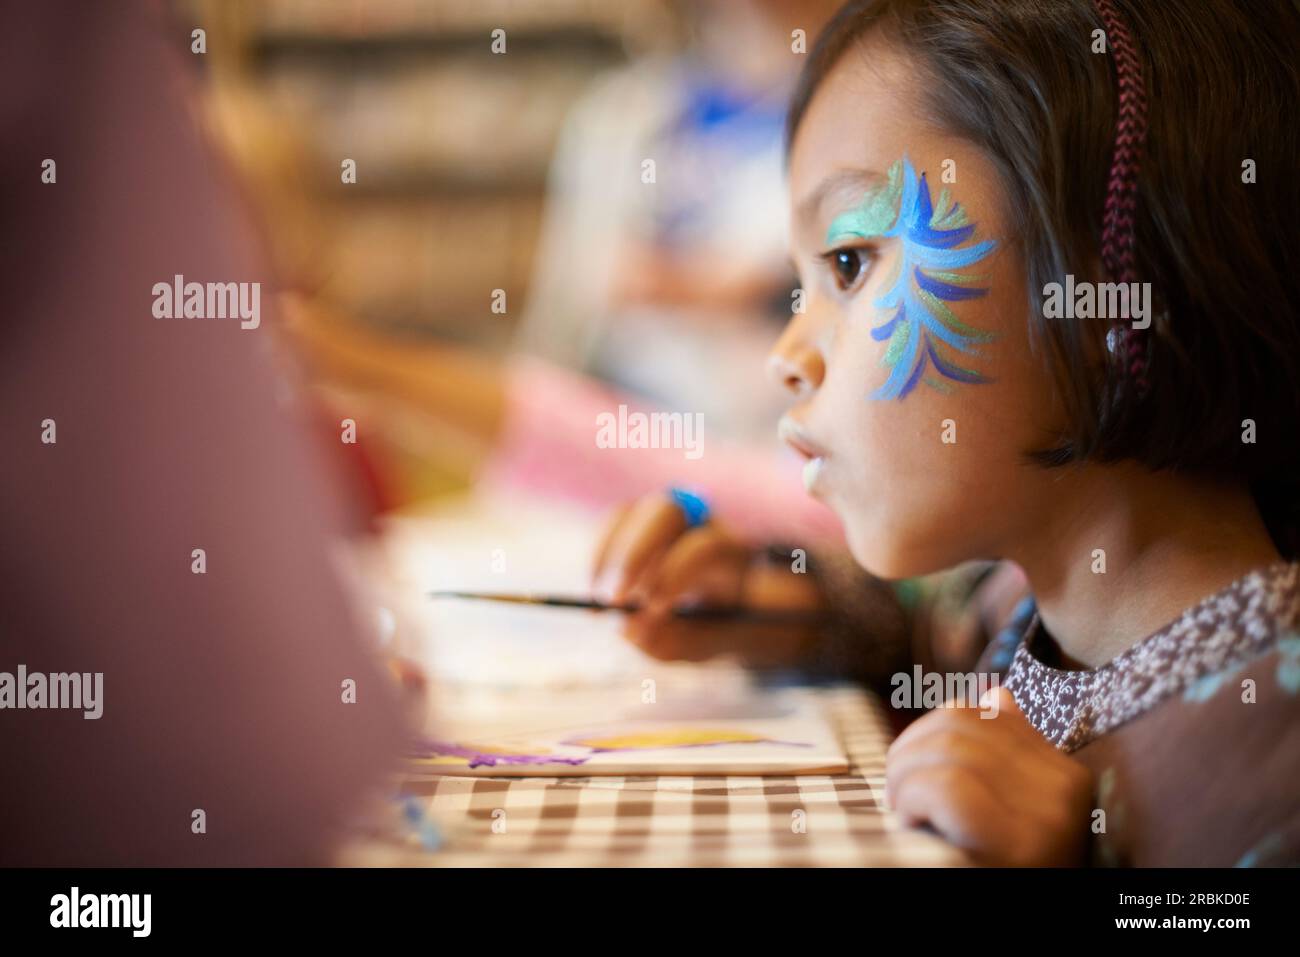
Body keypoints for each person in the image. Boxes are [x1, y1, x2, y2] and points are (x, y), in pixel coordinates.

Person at [590, 0, 1300, 866]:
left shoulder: (1271, 756)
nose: (788, 355)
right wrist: (772, 603)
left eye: (849, 263)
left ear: (1106, 282)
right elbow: (916, 634)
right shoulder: (1022, 600)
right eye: (797, 285)